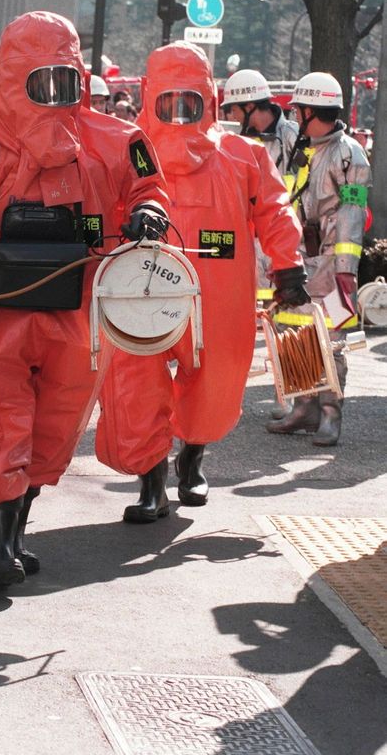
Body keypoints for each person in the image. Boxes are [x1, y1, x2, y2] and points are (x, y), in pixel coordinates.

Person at [0, 11, 169, 589]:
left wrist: (150, 212)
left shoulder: (116, 142)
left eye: (61, 79)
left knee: (53, 430)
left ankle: (16, 532)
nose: (51, 94)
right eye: (37, 80)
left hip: (75, 313)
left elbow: (149, 185)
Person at [95, 41, 308, 519]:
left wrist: (287, 265)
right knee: (136, 385)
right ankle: (151, 483)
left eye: (186, 101)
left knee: (214, 383)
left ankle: (192, 456)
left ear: (207, 99)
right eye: (166, 102)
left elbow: (275, 211)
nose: (176, 114)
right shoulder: (127, 154)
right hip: (140, 292)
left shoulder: (241, 156)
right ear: (150, 97)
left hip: (219, 297)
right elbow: (97, 209)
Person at [266, 72, 371, 446]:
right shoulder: (302, 149)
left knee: (334, 339)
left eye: (299, 110)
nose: (294, 116)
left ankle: (330, 415)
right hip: (302, 257)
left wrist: (345, 270)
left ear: (312, 110)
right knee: (294, 329)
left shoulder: (350, 154)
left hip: (332, 260)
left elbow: (353, 213)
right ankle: (304, 407)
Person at [222, 69, 299, 303]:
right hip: (249, 241)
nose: (232, 116)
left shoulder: (292, 137)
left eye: (233, 109)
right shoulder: (236, 143)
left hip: (281, 238)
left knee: (281, 316)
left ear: (249, 106)